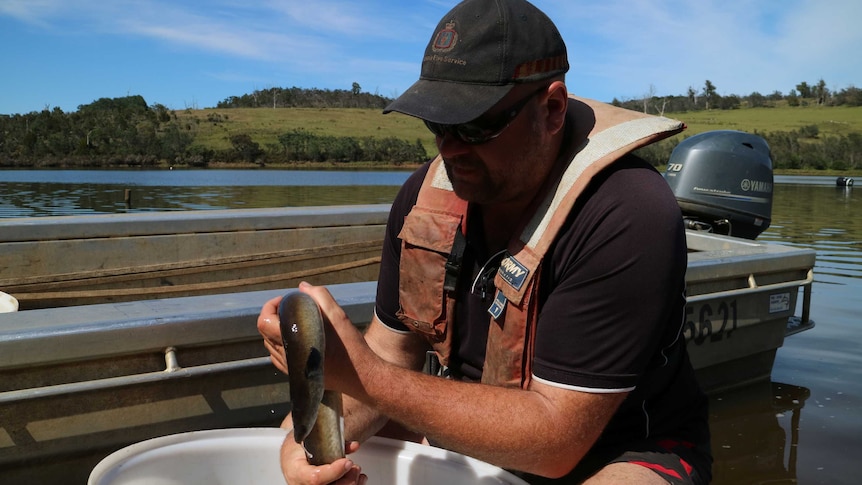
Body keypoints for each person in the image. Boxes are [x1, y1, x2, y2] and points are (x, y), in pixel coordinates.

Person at [258, 0, 712, 483]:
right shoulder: (423, 198)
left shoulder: (626, 210)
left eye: (475, 125)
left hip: (619, 451)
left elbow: (557, 440)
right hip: (478, 432)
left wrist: (364, 376)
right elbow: (393, 355)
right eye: (438, 124)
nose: (449, 149)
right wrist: (301, 441)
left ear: (552, 109)